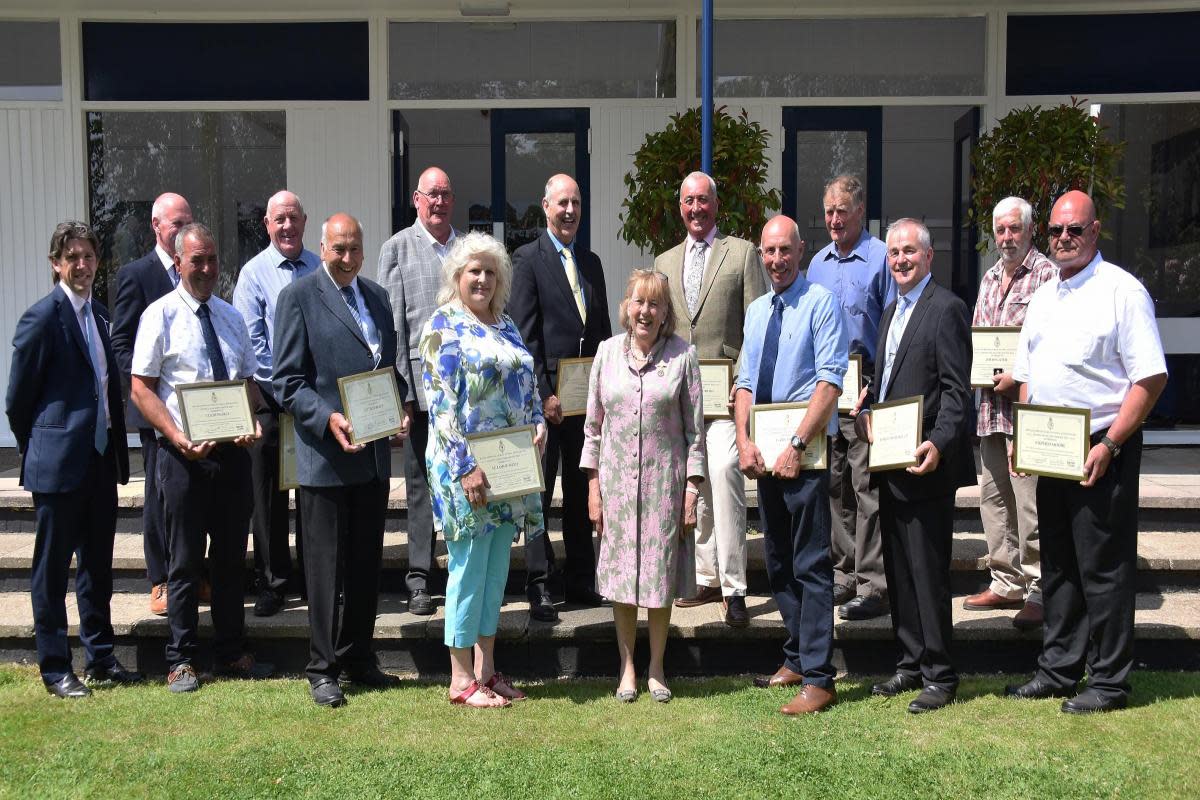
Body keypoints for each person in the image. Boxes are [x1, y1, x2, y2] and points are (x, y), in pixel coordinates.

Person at [1006, 191, 1167, 714]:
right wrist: (1023, 436)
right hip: (1049, 448)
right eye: (1055, 231)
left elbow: (1150, 376)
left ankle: (1109, 680)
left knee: (1104, 568)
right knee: (1058, 566)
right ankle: (1058, 669)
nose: (1064, 239)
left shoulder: (1123, 291)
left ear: (1095, 232)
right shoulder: (1046, 294)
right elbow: (1026, 372)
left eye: (1074, 230)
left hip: (1102, 445)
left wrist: (1113, 443)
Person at [274, 213, 409, 708]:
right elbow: (287, 381)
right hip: (326, 458)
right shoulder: (299, 298)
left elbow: (387, 371)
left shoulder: (376, 296)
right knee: (326, 568)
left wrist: (398, 411)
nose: (348, 258)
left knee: (365, 564)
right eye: (339, 249)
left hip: (371, 456)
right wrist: (327, 417)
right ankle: (322, 667)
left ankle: (358, 657)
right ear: (322, 247)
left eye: (355, 248)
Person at [131, 223, 273, 693]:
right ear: (178, 263)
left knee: (232, 560)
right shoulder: (160, 315)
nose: (208, 268)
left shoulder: (231, 317)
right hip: (183, 458)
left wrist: (253, 420)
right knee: (185, 561)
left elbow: (247, 383)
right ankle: (182, 659)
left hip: (232, 458)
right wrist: (174, 434)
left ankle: (231, 651)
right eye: (198, 261)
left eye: (212, 260)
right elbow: (141, 387)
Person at [6, 221, 142, 698]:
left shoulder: (102, 316)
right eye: (73, 258)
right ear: (56, 265)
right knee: (51, 570)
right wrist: (41, 444)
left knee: (97, 568)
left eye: (88, 256)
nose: (82, 265)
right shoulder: (41, 318)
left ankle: (101, 656)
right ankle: (56, 667)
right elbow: (18, 400)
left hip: (100, 464)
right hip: (59, 466)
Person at [421, 232, 547, 709]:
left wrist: (537, 423)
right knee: (468, 568)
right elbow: (441, 405)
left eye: (490, 271)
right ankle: (458, 678)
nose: (482, 278)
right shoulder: (442, 326)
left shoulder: (507, 325)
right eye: (474, 270)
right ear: (457, 276)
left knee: (495, 570)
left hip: (508, 468)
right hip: (465, 470)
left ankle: (486, 670)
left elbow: (527, 383)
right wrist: (465, 466)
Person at [855, 218, 974, 714]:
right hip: (890, 461)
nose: (900, 260)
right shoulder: (890, 312)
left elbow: (955, 392)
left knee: (927, 573)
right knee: (899, 571)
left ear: (929, 257)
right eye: (894, 253)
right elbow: (886, 384)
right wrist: (864, 411)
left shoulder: (946, 309)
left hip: (925, 464)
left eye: (909, 251)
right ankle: (909, 663)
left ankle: (940, 675)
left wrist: (939, 443)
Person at [580, 269, 704, 703]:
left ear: (666, 312)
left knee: (657, 577)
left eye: (655, 303)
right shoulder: (606, 353)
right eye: (638, 301)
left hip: (662, 488)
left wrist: (691, 491)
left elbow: (695, 434)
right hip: (616, 486)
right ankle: (627, 666)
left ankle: (656, 667)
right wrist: (593, 489)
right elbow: (592, 429)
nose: (645, 311)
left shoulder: (683, 357)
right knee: (621, 578)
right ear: (626, 307)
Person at [738, 217, 846, 714]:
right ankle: (798, 656)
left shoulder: (822, 304)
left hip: (804, 457)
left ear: (801, 251)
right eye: (768, 252)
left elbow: (829, 382)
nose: (776, 260)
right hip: (764, 459)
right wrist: (743, 440)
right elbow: (743, 383)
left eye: (785, 250)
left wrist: (798, 444)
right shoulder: (758, 310)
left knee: (810, 563)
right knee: (779, 563)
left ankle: (821, 677)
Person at [656, 170, 765, 627]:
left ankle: (734, 586)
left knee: (722, 471)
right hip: (679, 396)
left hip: (727, 396)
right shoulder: (663, 261)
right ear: (680, 207)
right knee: (692, 484)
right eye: (688, 201)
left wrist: (750, 387)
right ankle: (703, 576)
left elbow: (757, 324)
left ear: (716, 205)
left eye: (703, 200)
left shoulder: (740, 254)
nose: (696, 209)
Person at [509, 173, 613, 621]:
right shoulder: (526, 260)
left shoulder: (591, 262)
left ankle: (580, 579)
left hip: (586, 400)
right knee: (538, 494)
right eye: (561, 203)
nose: (569, 211)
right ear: (545, 207)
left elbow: (604, 333)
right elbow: (523, 337)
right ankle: (539, 585)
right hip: (545, 403)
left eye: (576, 203)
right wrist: (545, 394)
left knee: (579, 489)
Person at [963, 197, 1056, 629]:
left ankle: (1039, 588)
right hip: (989, 410)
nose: (1006, 237)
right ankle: (1005, 579)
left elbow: (1051, 348)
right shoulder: (989, 277)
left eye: (1014, 229)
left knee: (1030, 502)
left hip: (1026, 409)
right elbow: (981, 339)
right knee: (994, 498)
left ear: (1030, 230)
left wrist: (1017, 379)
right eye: (1001, 229)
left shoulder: (1047, 276)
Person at [806, 175, 895, 621]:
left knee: (866, 486)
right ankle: (842, 574)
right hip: (827, 387)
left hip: (866, 387)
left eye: (842, 210)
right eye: (829, 212)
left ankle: (873, 583)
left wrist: (876, 390)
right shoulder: (817, 265)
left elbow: (894, 327)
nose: (835, 219)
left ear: (860, 211)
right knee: (834, 483)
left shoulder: (882, 258)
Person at [376, 166, 463, 616]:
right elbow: (392, 328)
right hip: (423, 395)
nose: (439, 202)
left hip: (465, 397)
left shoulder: (468, 248)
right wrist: (402, 395)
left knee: (464, 485)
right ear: (416, 198)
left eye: (446, 194)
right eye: (431, 194)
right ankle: (419, 578)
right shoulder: (397, 249)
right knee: (419, 488)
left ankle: (461, 575)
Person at [233, 190, 319, 617]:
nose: (287, 226)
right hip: (267, 397)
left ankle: (312, 578)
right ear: (267, 225)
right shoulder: (252, 274)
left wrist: (305, 391)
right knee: (267, 497)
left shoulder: (321, 268)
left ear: (305, 221)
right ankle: (273, 583)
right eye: (278, 220)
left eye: (293, 218)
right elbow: (251, 343)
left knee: (313, 490)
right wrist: (286, 387)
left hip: (312, 399)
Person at [110, 192, 193, 615]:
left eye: (187, 222)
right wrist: (148, 383)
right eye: (175, 223)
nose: (181, 229)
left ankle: (192, 574)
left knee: (193, 497)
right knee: (160, 495)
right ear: (156, 227)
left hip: (196, 409)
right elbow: (120, 342)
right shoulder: (136, 274)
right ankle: (160, 580)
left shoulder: (197, 270)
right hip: (155, 408)